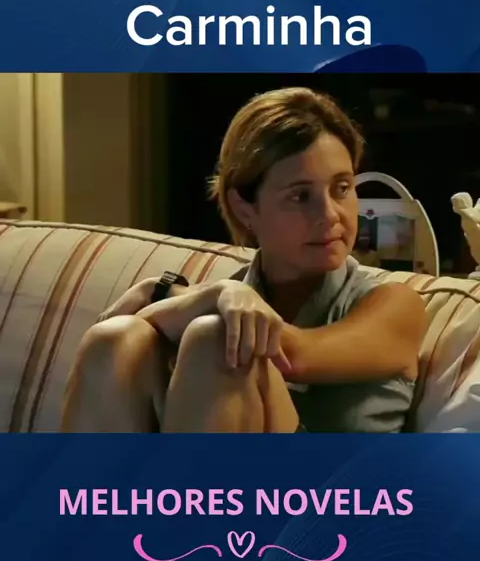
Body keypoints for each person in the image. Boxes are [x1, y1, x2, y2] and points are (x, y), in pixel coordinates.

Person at [61, 87, 427, 434]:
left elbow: (296, 356)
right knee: (114, 339)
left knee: (221, 339)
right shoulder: (225, 301)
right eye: (300, 196)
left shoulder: (395, 304)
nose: (330, 214)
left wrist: (173, 293)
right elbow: (108, 345)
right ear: (244, 207)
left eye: (342, 188)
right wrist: (192, 295)